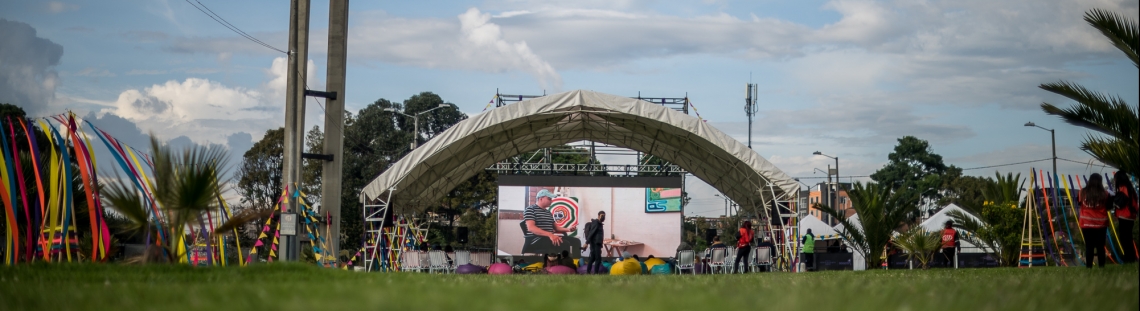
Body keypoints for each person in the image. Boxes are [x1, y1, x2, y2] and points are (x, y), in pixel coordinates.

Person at [522, 189, 581, 254]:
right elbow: (531, 228)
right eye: (549, 199)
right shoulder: (530, 209)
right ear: (541, 198)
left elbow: (556, 228)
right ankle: (563, 263)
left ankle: (576, 262)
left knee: (576, 241)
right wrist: (550, 235)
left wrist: (569, 229)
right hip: (536, 239)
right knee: (564, 243)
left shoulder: (548, 212)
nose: (551, 201)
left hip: (548, 238)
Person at [1079, 173, 1111, 268]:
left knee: (1089, 246)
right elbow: (1109, 207)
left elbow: (1079, 202)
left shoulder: (1082, 192)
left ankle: (1089, 267)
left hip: (1086, 223)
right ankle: (1102, 267)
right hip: (1101, 223)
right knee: (1100, 246)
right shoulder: (1105, 194)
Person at [1112, 171, 1138, 263]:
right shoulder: (1131, 189)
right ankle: (1131, 257)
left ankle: (1129, 257)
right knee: (1128, 238)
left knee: (1125, 238)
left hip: (1124, 216)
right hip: (1130, 216)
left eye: (1115, 179)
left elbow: (1120, 203)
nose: (1115, 181)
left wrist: (1113, 198)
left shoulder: (1123, 188)